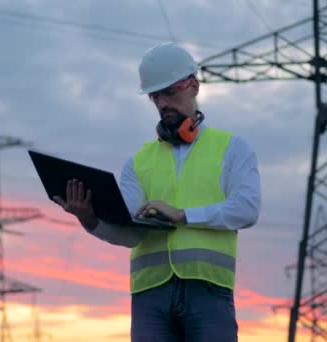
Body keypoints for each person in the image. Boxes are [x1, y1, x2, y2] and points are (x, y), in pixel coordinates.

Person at [53, 42, 261, 342]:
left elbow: (247, 209)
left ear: (194, 86)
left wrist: (182, 215)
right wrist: (90, 220)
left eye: (170, 92)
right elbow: (130, 235)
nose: (163, 103)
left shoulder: (232, 149)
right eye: (155, 96)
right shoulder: (137, 163)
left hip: (209, 291)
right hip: (150, 298)